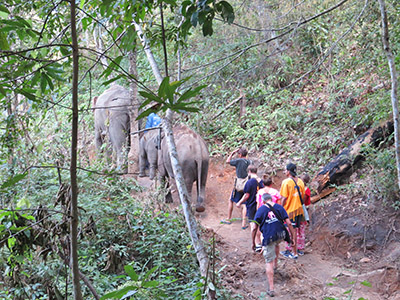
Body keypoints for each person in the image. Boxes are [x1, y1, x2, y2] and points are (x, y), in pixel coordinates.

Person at [252, 193, 296, 297]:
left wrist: (253, 242)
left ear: (263, 201)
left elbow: (254, 228)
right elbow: (289, 223)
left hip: (269, 237)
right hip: (281, 234)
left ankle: (271, 288)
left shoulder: (261, 210)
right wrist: (293, 237)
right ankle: (275, 266)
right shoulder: (279, 207)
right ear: (272, 199)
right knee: (276, 244)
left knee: (268, 261)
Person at [279, 163, 305, 260]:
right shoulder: (301, 182)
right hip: (299, 210)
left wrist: (280, 209)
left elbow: (284, 198)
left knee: (291, 232)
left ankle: (292, 252)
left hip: (290, 211)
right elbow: (303, 196)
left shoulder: (286, 182)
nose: (284, 172)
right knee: (296, 231)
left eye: (285, 170)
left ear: (289, 171)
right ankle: (296, 250)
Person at [221, 147, 251, 225]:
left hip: (238, 185)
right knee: (244, 204)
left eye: (238, 154)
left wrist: (232, 153)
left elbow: (228, 161)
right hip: (246, 184)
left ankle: (228, 219)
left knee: (231, 200)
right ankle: (244, 223)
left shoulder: (238, 161)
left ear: (240, 154)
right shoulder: (249, 162)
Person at [254, 175, 282, 252]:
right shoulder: (275, 192)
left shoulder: (260, 192)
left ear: (263, 184)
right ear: (271, 183)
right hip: (274, 214)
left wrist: (258, 214)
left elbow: (258, 204)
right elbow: (279, 205)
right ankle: (272, 247)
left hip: (263, 213)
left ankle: (264, 246)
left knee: (263, 230)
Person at [236, 165, 261, 236]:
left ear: (249, 172)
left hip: (252, 205)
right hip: (260, 205)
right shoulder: (261, 181)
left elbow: (246, 195)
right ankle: (260, 241)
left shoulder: (249, 182)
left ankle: (256, 242)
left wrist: (239, 202)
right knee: (259, 224)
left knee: (253, 224)